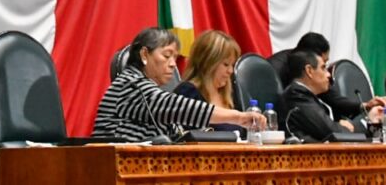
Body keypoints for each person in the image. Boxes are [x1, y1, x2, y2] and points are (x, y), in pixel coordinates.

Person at [93, 27, 263, 142]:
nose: (174, 64)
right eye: (167, 56)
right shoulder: (129, 84)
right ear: (145, 54)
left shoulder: (147, 87)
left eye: (175, 57)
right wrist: (239, 117)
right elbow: (178, 107)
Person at [269, 32, 386, 122]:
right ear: (309, 67)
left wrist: (366, 105)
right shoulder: (273, 71)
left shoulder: (311, 77)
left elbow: (335, 100)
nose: (327, 73)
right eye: (323, 66)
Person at [281, 49, 384, 142]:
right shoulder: (297, 95)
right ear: (309, 71)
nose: (328, 75)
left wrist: (369, 120)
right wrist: (364, 122)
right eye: (323, 68)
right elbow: (335, 133)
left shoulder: (305, 95)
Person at [174, 30, 246, 136]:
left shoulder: (232, 94)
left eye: (232, 65)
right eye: (226, 64)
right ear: (208, 63)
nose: (230, 71)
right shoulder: (188, 93)